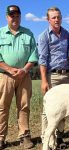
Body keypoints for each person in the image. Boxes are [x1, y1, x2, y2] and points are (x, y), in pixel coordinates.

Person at [0, 5, 38, 150]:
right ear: (6, 17)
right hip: (5, 76)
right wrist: (9, 69)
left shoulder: (28, 34)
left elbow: (34, 55)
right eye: (12, 15)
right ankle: (1, 137)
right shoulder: (0, 33)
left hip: (24, 75)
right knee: (2, 107)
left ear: (20, 17)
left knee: (24, 106)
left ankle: (24, 136)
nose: (15, 18)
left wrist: (24, 70)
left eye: (17, 15)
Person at [38, 7, 69, 149]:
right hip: (53, 76)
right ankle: (46, 137)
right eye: (53, 17)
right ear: (48, 19)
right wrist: (44, 80)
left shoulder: (66, 34)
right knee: (48, 109)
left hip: (67, 76)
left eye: (58, 17)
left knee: (63, 108)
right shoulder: (44, 36)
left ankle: (59, 137)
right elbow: (43, 59)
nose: (56, 19)